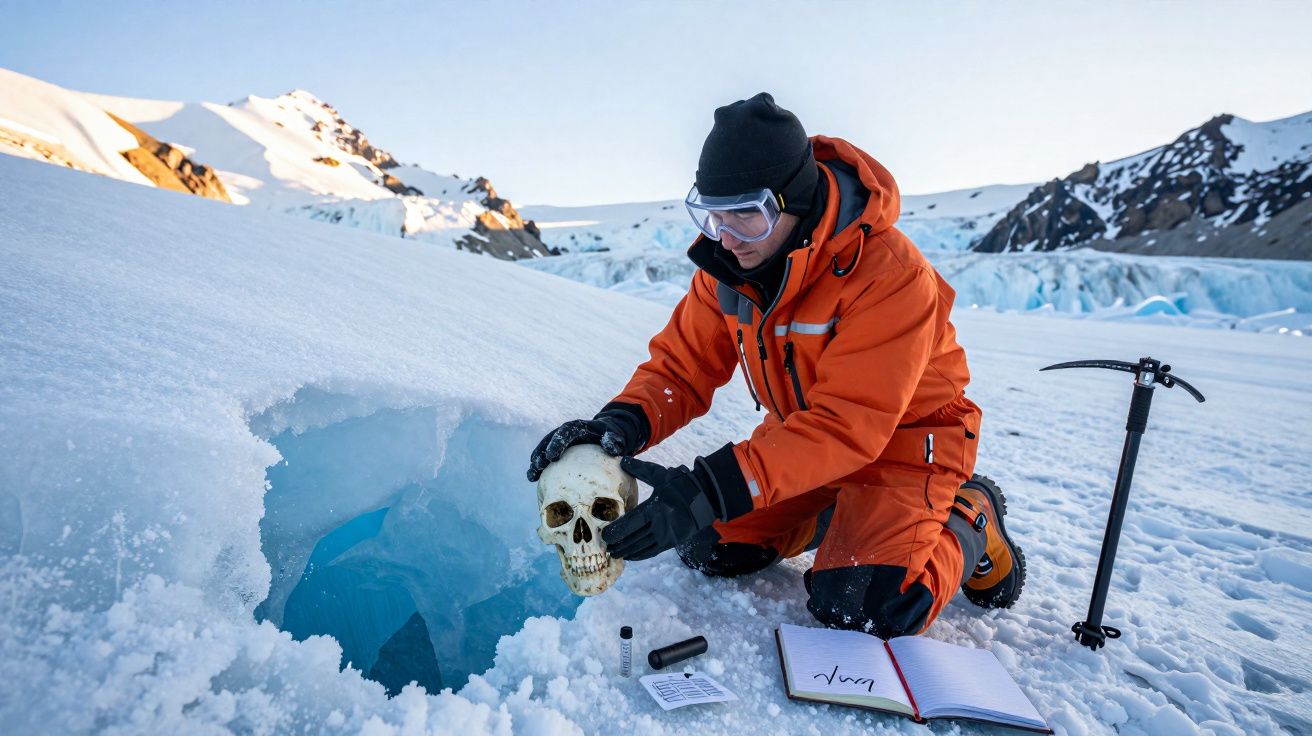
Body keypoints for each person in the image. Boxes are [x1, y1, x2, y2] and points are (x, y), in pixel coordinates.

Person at [527, 93, 1025, 637]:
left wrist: (709, 488)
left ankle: (971, 516)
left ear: (795, 201)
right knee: (708, 545)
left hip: (908, 445)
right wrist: (615, 426)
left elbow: (848, 424)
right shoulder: (727, 269)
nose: (727, 236)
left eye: (748, 215)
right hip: (803, 440)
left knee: (863, 604)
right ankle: (835, 514)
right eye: (713, 214)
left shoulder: (891, 276)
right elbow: (680, 368)